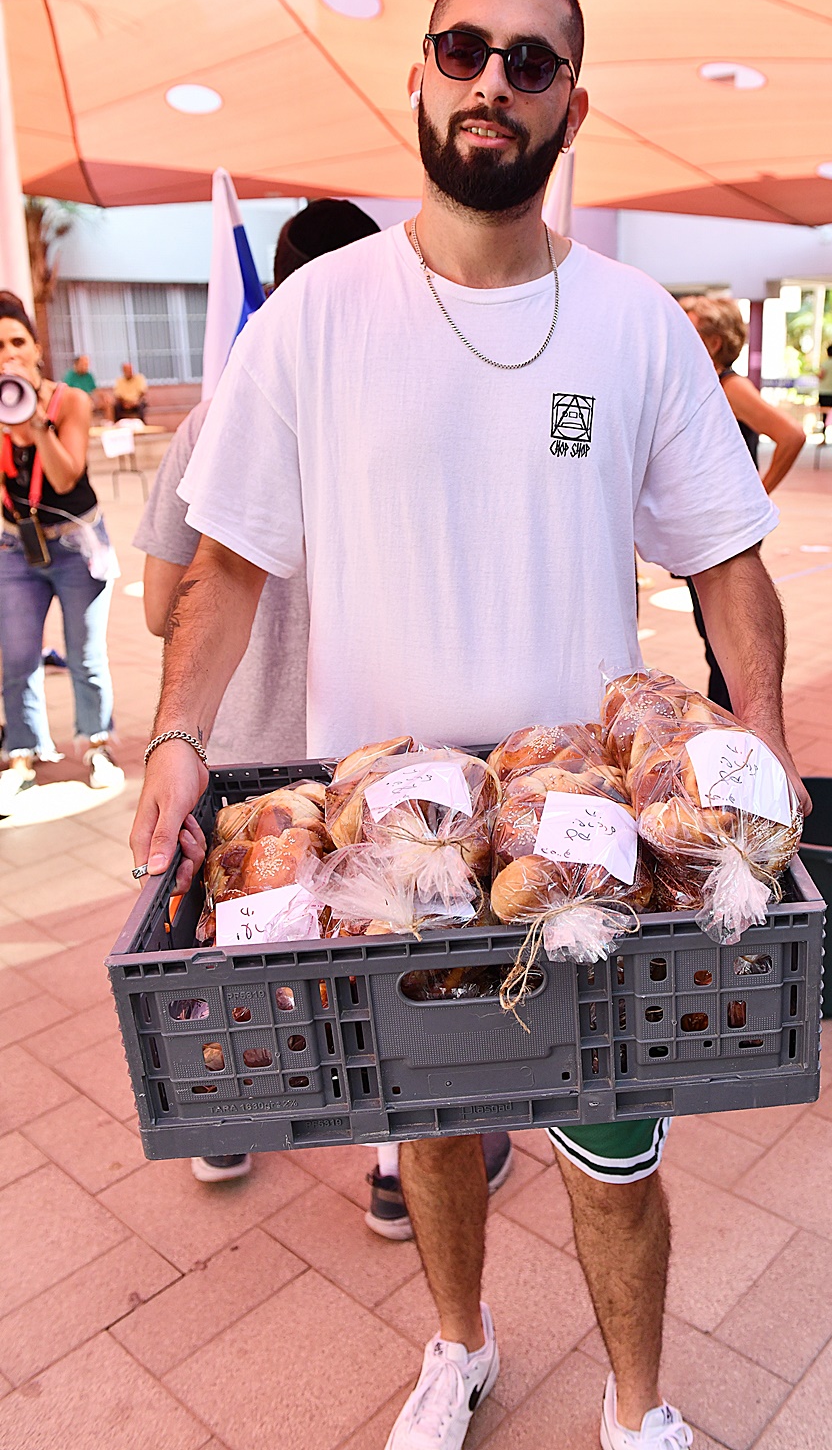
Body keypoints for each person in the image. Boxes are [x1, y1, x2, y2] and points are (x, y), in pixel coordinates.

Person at [132, 0, 805, 1450]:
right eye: (463, 50)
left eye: (530, 61)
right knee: (433, 1123)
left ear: (573, 105)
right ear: (419, 77)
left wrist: (758, 735)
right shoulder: (314, 321)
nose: (491, 80)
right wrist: (181, 732)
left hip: (590, 840)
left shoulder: (630, 324)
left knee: (609, 1139)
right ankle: (461, 1348)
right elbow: (228, 567)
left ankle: (638, 1407)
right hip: (396, 852)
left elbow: (727, 561)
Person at [135, 196, 513, 1214]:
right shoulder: (408, 401)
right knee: (385, 944)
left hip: (254, 749)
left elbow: (160, 606)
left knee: (252, 931)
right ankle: (398, 1168)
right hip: (375, 746)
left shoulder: (214, 419)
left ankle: (232, 1122)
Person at [0, 297, 123, 797]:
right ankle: (23, 754)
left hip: (76, 546)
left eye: (16, 342)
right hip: (14, 547)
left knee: (84, 652)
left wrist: (32, 427)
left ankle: (96, 746)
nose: (7, 355)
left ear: (36, 349)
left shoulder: (69, 400)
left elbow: (65, 473)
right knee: (17, 653)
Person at [680, 295, 805, 707]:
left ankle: (732, 726)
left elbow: (791, 435)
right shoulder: (701, 383)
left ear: (713, 342)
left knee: (726, 641)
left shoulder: (731, 387)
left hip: (726, 530)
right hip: (707, 526)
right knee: (714, 638)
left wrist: (757, 492)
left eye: (687, 326)